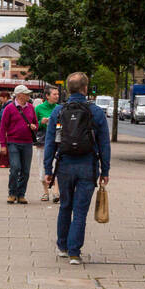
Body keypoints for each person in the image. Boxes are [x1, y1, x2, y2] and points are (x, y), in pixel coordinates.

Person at [43, 71, 111, 265]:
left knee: (65, 206)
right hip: (87, 166)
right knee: (80, 211)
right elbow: (104, 143)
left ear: (68, 89)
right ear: (85, 88)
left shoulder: (58, 111)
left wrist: (48, 169)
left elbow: (51, 142)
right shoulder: (95, 112)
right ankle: (74, 252)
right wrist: (105, 170)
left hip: (64, 164)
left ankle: (62, 246)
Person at [0, 84, 38, 205]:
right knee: (15, 168)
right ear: (20, 95)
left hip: (27, 143)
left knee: (26, 170)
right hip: (13, 142)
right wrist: (3, 145)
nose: (28, 96)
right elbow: (2, 128)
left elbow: (36, 124)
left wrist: (34, 127)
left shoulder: (31, 107)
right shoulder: (9, 108)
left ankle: (21, 194)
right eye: (26, 94)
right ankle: (12, 193)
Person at [36, 86, 61, 203]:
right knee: (43, 166)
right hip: (43, 141)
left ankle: (56, 192)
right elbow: (34, 125)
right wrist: (42, 122)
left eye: (57, 94)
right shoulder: (39, 108)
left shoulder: (59, 108)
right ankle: (46, 192)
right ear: (47, 96)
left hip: (57, 141)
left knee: (57, 166)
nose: (57, 96)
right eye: (54, 94)